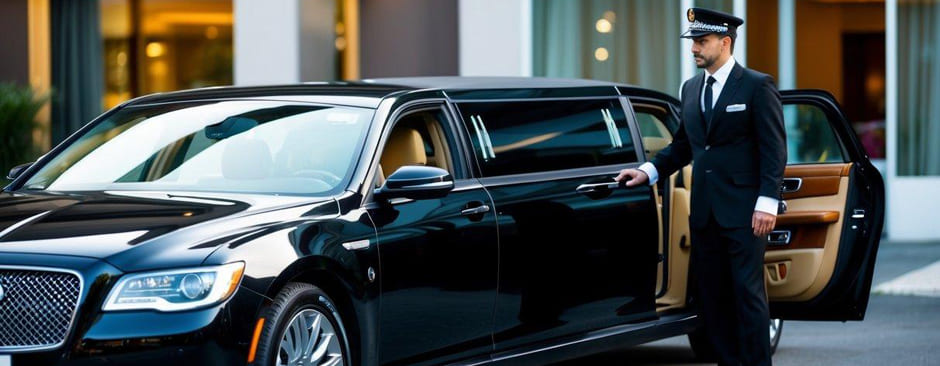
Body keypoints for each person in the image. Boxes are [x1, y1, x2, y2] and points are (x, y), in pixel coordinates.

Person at [615, 7, 786, 366]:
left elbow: (774, 149)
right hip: (705, 214)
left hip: (745, 214)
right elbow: (683, 146)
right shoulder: (691, 88)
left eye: (701, 41)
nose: (694, 48)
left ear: (725, 42)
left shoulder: (756, 85)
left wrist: (767, 202)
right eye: (693, 41)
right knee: (713, 299)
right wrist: (648, 171)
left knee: (748, 297)